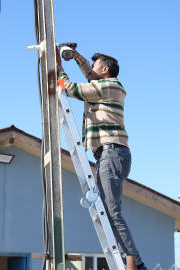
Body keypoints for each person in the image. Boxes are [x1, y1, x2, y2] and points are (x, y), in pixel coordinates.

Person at [56, 49, 147, 270]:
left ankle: (137, 264)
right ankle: (133, 261)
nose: (89, 72)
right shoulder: (105, 85)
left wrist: (57, 66)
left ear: (105, 70)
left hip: (112, 152)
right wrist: (76, 56)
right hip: (111, 153)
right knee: (108, 211)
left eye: (95, 67)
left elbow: (69, 88)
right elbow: (89, 73)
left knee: (111, 213)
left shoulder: (108, 86)